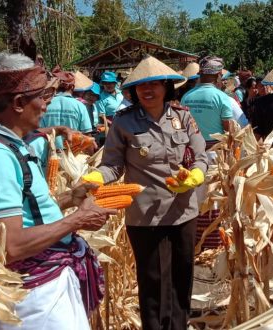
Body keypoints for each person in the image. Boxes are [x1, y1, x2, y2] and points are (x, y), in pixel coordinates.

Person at [0, 53, 117, 329]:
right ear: (19, 103)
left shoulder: (12, 143)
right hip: (30, 301)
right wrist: (78, 220)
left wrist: (70, 198)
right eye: (42, 97)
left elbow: (22, 212)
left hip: (43, 292)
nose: (46, 105)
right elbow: (10, 246)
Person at [84, 55, 207, 330]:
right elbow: (112, 166)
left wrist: (196, 175)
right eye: (141, 86)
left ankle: (178, 326)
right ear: (133, 90)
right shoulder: (124, 122)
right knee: (152, 281)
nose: (147, 90)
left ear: (166, 86)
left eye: (153, 84)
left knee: (181, 276)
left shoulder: (183, 117)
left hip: (182, 210)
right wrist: (95, 178)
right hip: (145, 215)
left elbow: (202, 156)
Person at [181, 56, 234, 149]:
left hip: (192, 149)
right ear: (218, 75)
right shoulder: (222, 97)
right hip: (216, 151)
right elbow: (228, 129)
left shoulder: (186, 97)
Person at [40, 69, 93, 151]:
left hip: (48, 154)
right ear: (72, 87)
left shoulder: (44, 105)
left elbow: (38, 132)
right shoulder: (80, 106)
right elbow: (87, 137)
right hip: (73, 155)